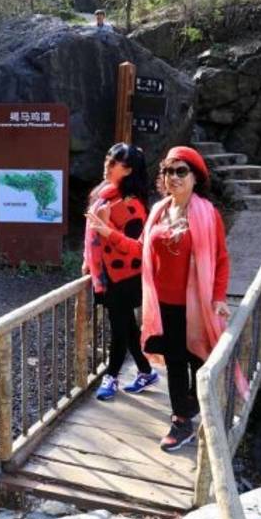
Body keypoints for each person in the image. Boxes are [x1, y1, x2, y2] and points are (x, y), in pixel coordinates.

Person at [86, 146, 231, 451]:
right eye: (168, 171)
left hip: (197, 302)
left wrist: (218, 297)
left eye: (181, 171)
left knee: (198, 357)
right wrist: (107, 232)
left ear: (195, 177)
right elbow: (139, 249)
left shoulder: (208, 214)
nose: (173, 177)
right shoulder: (158, 211)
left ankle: (194, 403)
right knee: (176, 361)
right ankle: (181, 421)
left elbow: (220, 259)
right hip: (165, 304)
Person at [82, 143, 158, 401]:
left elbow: (137, 249)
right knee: (126, 326)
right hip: (108, 275)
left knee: (119, 328)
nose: (108, 164)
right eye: (107, 158)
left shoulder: (132, 204)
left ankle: (111, 376)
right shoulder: (105, 195)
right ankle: (146, 371)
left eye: (114, 162)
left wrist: (107, 229)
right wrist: (87, 260)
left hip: (124, 278)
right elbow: (91, 235)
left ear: (128, 170)